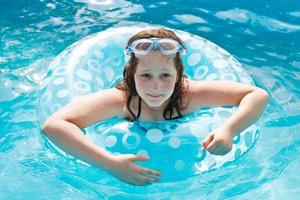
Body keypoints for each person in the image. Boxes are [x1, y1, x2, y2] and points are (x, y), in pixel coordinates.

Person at [42, 28, 269, 186]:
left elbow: (257, 95)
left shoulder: (189, 95)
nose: (156, 87)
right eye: (146, 75)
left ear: (178, 75)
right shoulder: (122, 100)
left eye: (165, 75)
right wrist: (110, 164)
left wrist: (229, 129)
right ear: (132, 74)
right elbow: (54, 125)